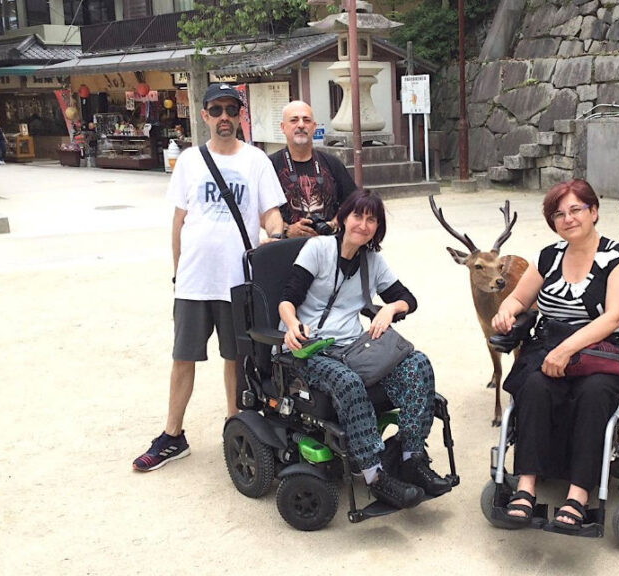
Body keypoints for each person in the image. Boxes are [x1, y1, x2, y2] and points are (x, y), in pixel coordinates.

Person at [132, 83, 287, 472]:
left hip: (237, 280)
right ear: (204, 116)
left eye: (231, 110)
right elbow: (179, 221)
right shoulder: (189, 161)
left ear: (240, 116)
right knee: (183, 357)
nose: (223, 118)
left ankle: (239, 431)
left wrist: (275, 230)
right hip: (194, 279)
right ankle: (172, 435)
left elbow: (271, 212)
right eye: (215, 110)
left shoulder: (256, 161)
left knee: (236, 359)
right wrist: (177, 272)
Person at [278, 191, 451, 509]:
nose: (364, 224)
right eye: (358, 216)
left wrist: (389, 309)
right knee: (347, 383)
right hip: (308, 348)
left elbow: (407, 298)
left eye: (372, 219)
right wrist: (291, 325)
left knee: (418, 364)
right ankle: (375, 477)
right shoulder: (318, 249)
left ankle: (411, 458)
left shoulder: (373, 261)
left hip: (352, 346)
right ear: (344, 219)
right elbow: (287, 298)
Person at [491, 179, 619, 532]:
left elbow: (613, 318)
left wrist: (568, 349)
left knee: (592, 395)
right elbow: (519, 298)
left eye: (576, 210)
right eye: (559, 213)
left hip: (599, 352)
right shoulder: (548, 256)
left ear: (594, 211)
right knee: (535, 387)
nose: (568, 219)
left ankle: (578, 496)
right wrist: (506, 311)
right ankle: (526, 487)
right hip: (549, 345)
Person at [269, 101, 356, 238]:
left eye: (307, 120)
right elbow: (259, 211)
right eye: (294, 120)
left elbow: (354, 203)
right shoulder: (269, 165)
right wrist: (287, 230)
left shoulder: (332, 164)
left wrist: (332, 224)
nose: (301, 125)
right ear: (283, 127)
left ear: (314, 127)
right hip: (287, 249)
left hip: (328, 246)